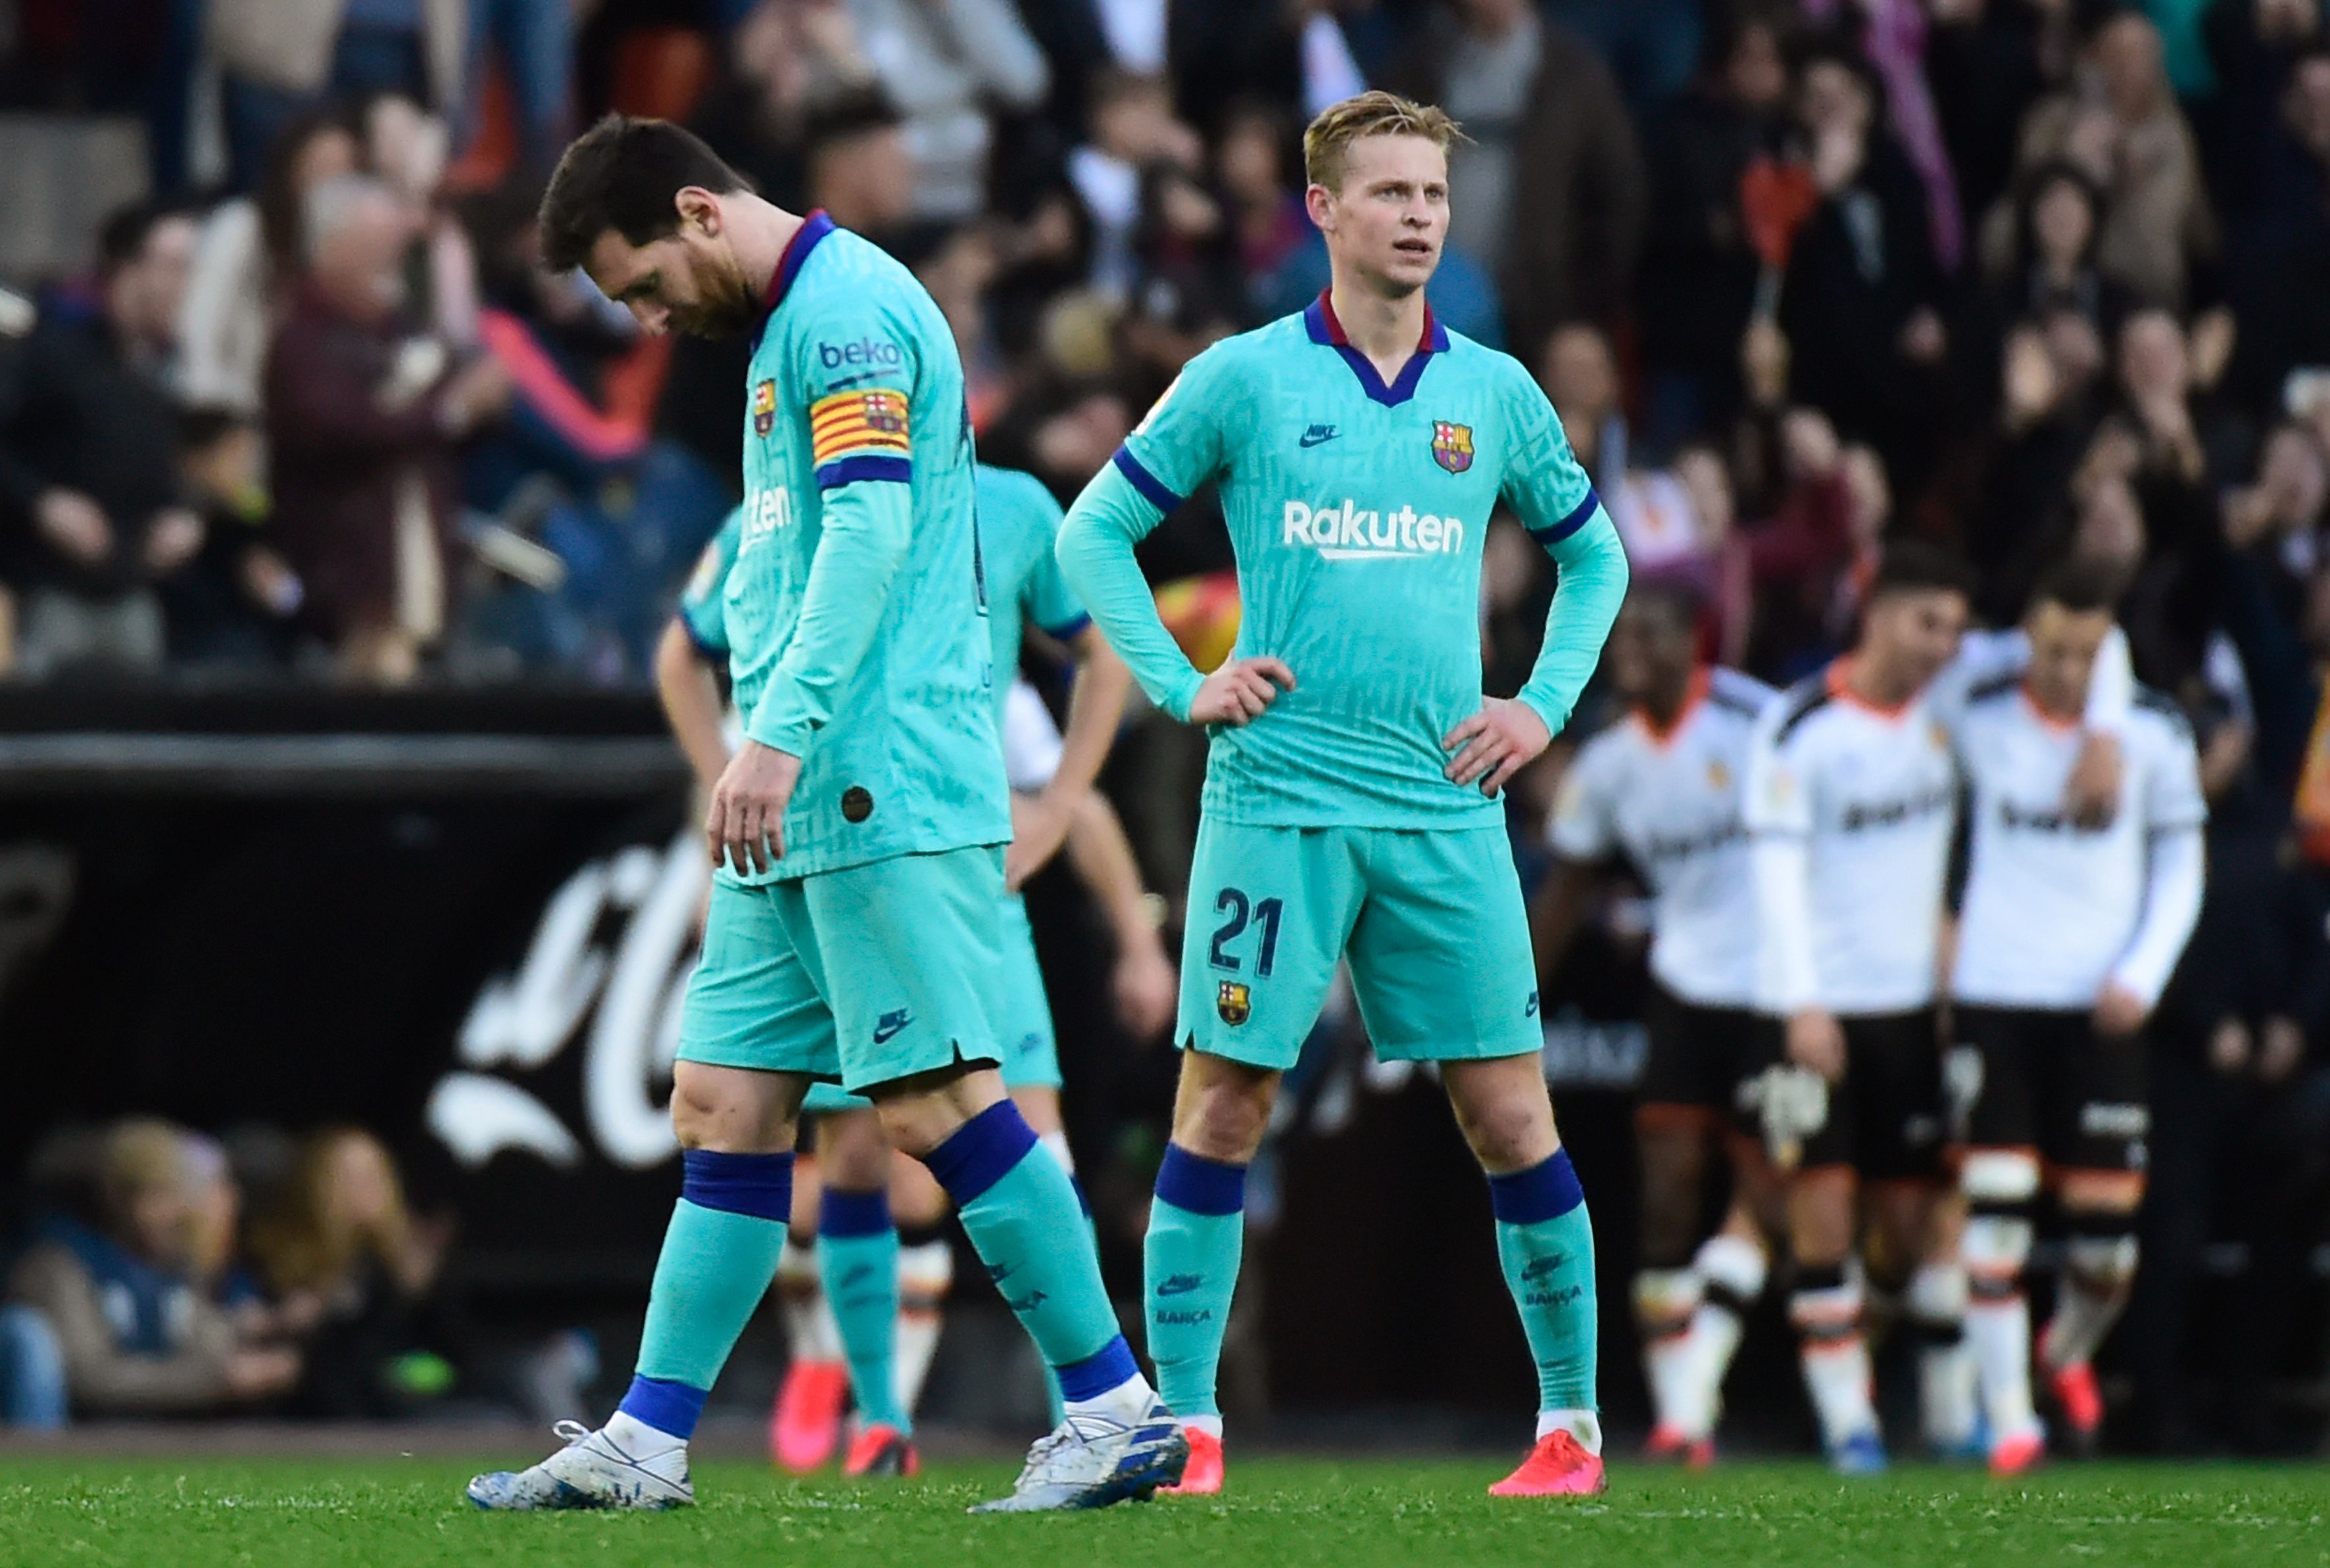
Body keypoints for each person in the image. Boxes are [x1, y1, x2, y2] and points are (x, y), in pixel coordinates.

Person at [472, 114, 1182, 1515]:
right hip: (800, 795)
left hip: (866, 780)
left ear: (696, 209)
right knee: (726, 1104)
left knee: (929, 1103)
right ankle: (649, 1440)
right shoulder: (784, 328)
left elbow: (865, 537)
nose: (646, 315)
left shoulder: (847, 314)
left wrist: (773, 740)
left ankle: (1114, 1405)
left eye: (641, 282)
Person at [1055, 90, 1630, 1499]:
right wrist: (1181, 681)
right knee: (1220, 1109)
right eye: (1387, 192)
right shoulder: (1243, 378)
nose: (1417, 214)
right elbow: (1095, 533)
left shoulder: (1491, 392)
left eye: (1430, 192)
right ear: (1320, 210)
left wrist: (1539, 708)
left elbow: (1597, 560)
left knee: (1508, 1116)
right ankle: (1183, 1426)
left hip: (1443, 811)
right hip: (1276, 805)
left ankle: (1569, 1427)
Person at [652, 460, 1171, 1477]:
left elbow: (1101, 661)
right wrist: (720, 763)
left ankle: (1100, 1405)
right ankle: (872, 1410)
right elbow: (684, 651)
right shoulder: (774, 506)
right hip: (833, 850)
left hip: (952, 863)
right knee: (841, 1145)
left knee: (991, 1144)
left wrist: (1067, 813)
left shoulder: (1006, 521)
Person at [1743, 540, 2128, 1473]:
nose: (1945, 646)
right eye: (1927, 624)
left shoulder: (1950, 700)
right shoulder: (1796, 728)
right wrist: (1799, 1000)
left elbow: (2085, 633)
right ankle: (1847, 1426)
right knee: (1823, 1217)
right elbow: (1773, 872)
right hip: (1815, 1012)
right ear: (1876, 614)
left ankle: (1869, 1382)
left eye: (1956, 629)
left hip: (1914, 1012)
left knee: (1912, 1235)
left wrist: (2108, 729)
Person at [1949, 559, 2206, 1473]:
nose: (2062, 668)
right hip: (1994, 996)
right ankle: (2010, 1423)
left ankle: (2055, 1356)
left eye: (2083, 656)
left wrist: (2140, 972)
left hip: (2099, 1008)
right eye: (2049, 649)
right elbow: (1943, 648)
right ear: (2026, 634)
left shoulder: (2151, 732)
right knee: (1996, 1218)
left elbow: (2180, 865)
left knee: (2105, 1257)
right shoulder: (1975, 707)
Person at [1534, 584, 1778, 1465]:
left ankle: (1699, 1388)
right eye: (1618, 635)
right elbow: (1565, 893)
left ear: (1690, 638)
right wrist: (1503, 1001)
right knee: (1666, 1192)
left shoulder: (1757, 720)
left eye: (1644, 632)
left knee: (1778, 1196)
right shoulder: (1605, 764)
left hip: (1779, 986)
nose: (1625, 649)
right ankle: (1683, 1417)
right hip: (1683, 987)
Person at [266, 174, 509, 684]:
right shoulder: (302, 342)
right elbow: (341, 429)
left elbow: (457, 413)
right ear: (332, 249)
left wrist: (482, 402)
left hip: (422, 585)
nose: (391, 260)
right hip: (343, 600)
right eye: (376, 246)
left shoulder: (404, 331)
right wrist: (449, 412)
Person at [0, 201, 205, 680]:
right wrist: (44, 503)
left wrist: (184, 513)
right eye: (173, 267)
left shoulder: (161, 370)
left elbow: (170, 467)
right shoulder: (53, 351)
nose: (184, 286)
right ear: (128, 269)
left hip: (132, 589)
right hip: (51, 591)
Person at [5, 1121, 302, 1419]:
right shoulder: (59, 1263)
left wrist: (254, 1331)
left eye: (180, 1196)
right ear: (116, 1196)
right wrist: (216, 1380)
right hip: (75, 1444)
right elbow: (90, 1378)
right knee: (25, 1333)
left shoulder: (174, 1266)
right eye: (158, 1195)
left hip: (155, 1441)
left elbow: (207, 1344)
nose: (174, 1212)